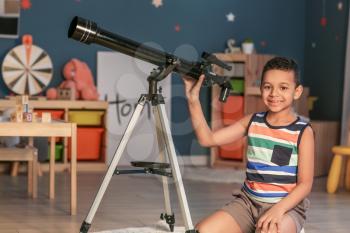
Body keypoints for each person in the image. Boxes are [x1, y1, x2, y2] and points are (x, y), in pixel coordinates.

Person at [182, 57, 314, 233]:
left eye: (283, 87)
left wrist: (278, 210)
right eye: (268, 87)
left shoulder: (303, 131)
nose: (274, 93)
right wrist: (193, 100)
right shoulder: (252, 121)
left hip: (286, 208)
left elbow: (305, 184)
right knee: (202, 230)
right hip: (248, 204)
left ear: (297, 92)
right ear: (261, 89)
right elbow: (208, 139)